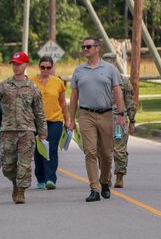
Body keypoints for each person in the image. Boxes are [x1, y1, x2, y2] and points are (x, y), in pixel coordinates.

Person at [68, 37, 126, 202]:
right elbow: (73, 96)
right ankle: (94, 188)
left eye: (88, 46)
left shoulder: (110, 69)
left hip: (106, 114)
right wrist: (72, 120)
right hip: (86, 115)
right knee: (90, 152)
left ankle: (105, 181)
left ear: (97, 48)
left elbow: (118, 92)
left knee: (107, 154)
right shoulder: (79, 71)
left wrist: (121, 115)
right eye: (83, 46)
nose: (85, 49)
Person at [0, 52, 47, 204]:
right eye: (14, 64)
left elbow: (39, 111)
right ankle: (15, 182)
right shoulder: (5, 85)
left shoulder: (33, 87)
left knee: (24, 164)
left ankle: (21, 191)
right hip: (8, 130)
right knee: (7, 165)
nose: (15, 67)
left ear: (26, 66)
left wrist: (43, 132)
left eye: (19, 64)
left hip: (27, 130)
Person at [30, 56, 69, 190]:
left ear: (52, 68)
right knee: (39, 150)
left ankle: (50, 179)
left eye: (48, 67)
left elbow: (62, 102)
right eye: (43, 67)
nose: (45, 70)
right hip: (36, 121)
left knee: (51, 150)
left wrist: (67, 120)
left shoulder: (58, 82)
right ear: (39, 67)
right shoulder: (31, 81)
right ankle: (40, 179)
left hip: (55, 120)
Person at [102, 53, 137, 188]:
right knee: (102, 150)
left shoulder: (123, 81)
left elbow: (130, 102)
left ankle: (119, 176)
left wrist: (132, 120)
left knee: (119, 149)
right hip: (102, 118)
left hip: (118, 120)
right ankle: (106, 175)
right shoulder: (99, 81)